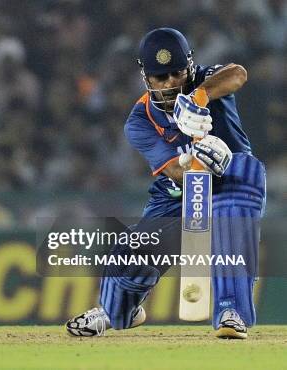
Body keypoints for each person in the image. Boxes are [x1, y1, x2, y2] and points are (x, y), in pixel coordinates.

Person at [65, 28, 266, 339]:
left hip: (232, 181)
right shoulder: (139, 120)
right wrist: (193, 163)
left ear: (189, 66)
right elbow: (173, 172)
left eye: (177, 73)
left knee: (231, 208)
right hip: (177, 191)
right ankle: (119, 311)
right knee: (128, 253)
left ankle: (231, 310)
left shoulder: (205, 79)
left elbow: (238, 73)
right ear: (146, 77)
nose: (171, 82)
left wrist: (199, 95)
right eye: (161, 76)